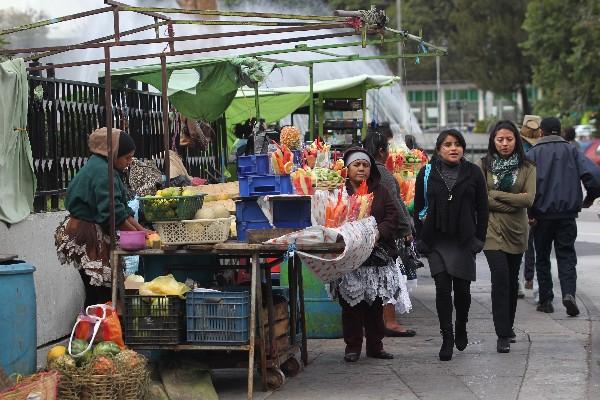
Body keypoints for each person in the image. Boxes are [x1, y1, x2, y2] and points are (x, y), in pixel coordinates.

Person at [413, 129, 489, 361]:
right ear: (438, 149)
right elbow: (417, 208)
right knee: (443, 289)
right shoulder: (426, 173)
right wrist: (422, 238)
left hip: (464, 240)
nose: (453, 148)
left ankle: (462, 325)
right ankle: (447, 337)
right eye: (447, 144)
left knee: (463, 292)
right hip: (437, 240)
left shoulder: (474, 172)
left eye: (457, 144)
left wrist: (479, 239)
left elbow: (483, 209)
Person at [55, 127, 149, 307]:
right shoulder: (103, 172)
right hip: (84, 233)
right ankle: (94, 330)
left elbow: (122, 210)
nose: (130, 162)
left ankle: (96, 327)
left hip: (89, 229)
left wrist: (144, 232)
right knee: (99, 290)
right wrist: (141, 237)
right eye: (127, 157)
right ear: (114, 154)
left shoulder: (107, 168)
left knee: (99, 289)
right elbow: (113, 215)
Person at [527, 117, 600, 316]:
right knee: (566, 255)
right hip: (567, 214)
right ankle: (569, 294)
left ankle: (546, 300)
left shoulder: (532, 154)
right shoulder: (572, 150)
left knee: (542, 257)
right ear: (560, 131)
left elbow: (523, 186)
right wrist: (590, 197)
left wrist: (528, 212)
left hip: (540, 216)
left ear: (541, 132)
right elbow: (593, 175)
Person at [336, 147, 402, 362]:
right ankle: (352, 347)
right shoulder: (339, 191)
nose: (362, 169)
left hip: (375, 255)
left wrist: (377, 234)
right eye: (357, 165)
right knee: (351, 304)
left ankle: (376, 346)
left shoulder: (381, 190)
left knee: (374, 304)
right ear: (347, 168)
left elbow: (392, 216)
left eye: (365, 165)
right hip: (349, 256)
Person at [478, 121, 536, 353]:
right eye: (500, 139)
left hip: (517, 231)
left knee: (512, 281)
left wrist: (495, 194)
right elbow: (481, 199)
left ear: (517, 141)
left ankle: (508, 325)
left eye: (509, 139)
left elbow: (528, 200)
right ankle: (502, 333)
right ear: (493, 140)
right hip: (491, 231)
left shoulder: (527, 167)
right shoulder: (483, 165)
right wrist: (512, 201)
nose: (504, 144)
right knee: (500, 279)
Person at [365, 131, 416, 337]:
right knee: (390, 277)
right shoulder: (382, 173)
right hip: (385, 233)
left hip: (370, 232)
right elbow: (396, 204)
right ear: (381, 151)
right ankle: (390, 322)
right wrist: (406, 230)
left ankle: (380, 322)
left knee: (377, 278)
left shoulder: (367, 170)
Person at [519, 115, 542, 291]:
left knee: (521, 242)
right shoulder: (542, 147)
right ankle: (529, 278)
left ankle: (519, 281)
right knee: (534, 244)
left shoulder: (518, 147)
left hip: (521, 200)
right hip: (539, 200)